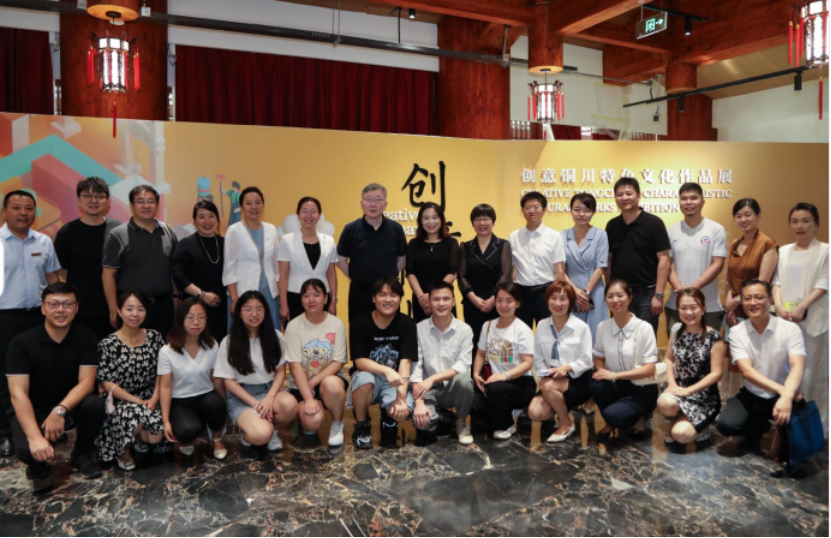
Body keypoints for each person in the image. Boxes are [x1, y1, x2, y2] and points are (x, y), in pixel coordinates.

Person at [6, 283, 104, 482]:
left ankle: (82, 453)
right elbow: (18, 394)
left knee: (95, 404)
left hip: (69, 404)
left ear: (76, 308)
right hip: (34, 407)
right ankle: (38, 462)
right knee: (28, 450)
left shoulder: (86, 337)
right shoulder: (21, 343)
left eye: (68, 304)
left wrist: (59, 411)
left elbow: (87, 383)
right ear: (43, 308)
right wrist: (35, 438)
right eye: (54, 304)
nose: (61, 310)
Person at [0, 191, 61, 459]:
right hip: (5, 318)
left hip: (39, 317)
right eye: (16, 207)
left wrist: (58, 309)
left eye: (28, 208)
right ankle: (4, 433)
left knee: (39, 373)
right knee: (5, 377)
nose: (23, 213)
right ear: (5, 211)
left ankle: (42, 427)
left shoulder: (44, 241)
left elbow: (52, 279)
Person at [717, 279, 806, 449]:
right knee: (726, 425)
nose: (753, 303)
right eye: (747, 298)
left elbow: (797, 366)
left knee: (797, 440)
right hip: (754, 393)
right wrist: (783, 390)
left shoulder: (790, 329)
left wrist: (786, 395)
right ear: (742, 303)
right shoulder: (737, 332)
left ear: (770, 301)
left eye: (759, 297)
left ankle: (782, 430)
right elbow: (746, 371)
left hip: (785, 393)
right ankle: (759, 426)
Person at [214, 291, 297, 451]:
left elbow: (281, 371)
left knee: (290, 405)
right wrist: (256, 404)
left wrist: (269, 398)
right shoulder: (229, 342)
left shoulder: (276, 336)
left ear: (265, 311)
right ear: (239, 313)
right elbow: (229, 382)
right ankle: (249, 432)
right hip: (241, 397)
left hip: (268, 391)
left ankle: (273, 432)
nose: (254, 314)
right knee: (261, 435)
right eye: (248, 309)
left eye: (259, 309)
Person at [772, 203, 829, 434]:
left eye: (806, 221)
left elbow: (824, 283)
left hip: (813, 319)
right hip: (786, 320)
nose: (800, 226)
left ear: (815, 224)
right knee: (786, 370)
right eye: (795, 221)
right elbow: (776, 282)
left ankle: (818, 426)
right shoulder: (784, 251)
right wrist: (777, 305)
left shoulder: (825, 250)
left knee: (813, 374)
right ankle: (788, 425)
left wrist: (803, 306)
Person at [97, 291, 165, 470]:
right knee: (134, 414)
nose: (135, 314)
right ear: (119, 311)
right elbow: (105, 382)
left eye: (140, 309)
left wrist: (154, 398)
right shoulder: (108, 343)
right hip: (120, 399)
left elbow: (163, 372)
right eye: (129, 309)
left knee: (155, 437)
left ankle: (137, 438)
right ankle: (123, 451)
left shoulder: (155, 337)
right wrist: (137, 401)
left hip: (149, 396)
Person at [349, 277, 417, 449]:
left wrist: (401, 397)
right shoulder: (359, 323)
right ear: (373, 298)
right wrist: (386, 370)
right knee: (363, 379)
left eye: (393, 295)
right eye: (382, 295)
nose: (388, 299)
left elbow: (405, 363)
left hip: (394, 381)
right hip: (370, 378)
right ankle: (362, 424)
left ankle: (389, 417)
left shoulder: (407, 324)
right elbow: (359, 361)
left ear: (400, 299)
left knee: (402, 412)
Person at [102, 185, 180, 336]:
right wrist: (113, 308)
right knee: (133, 349)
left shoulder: (168, 231)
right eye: (140, 201)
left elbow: (174, 269)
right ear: (132, 206)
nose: (146, 205)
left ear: (157, 205)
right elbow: (108, 274)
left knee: (163, 348)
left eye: (150, 201)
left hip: (163, 306)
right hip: (132, 309)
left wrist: (176, 297)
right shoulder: (117, 234)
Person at [590, 280, 660, 443]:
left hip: (641, 387)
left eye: (620, 295)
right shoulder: (603, 327)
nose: (615, 300)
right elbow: (598, 358)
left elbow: (650, 369)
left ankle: (639, 416)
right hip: (616, 385)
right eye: (610, 296)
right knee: (595, 383)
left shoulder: (644, 328)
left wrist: (615, 375)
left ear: (629, 297)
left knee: (615, 415)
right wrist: (601, 371)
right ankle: (615, 419)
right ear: (605, 300)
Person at [158, 298, 228, 460]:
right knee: (187, 431)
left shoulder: (211, 344)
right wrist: (166, 421)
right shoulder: (167, 351)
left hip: (206, 396)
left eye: (201, 317)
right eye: (190, 317)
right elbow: (165, 387)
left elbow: (216, 377)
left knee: (217, 404)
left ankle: (216, 439)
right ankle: (186, 440)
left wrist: (224, 404)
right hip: (180, 401)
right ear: (180, 319)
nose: (196, 322)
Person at [54, 177, 122, 340]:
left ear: (107, 201)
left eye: (99, 196)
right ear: (79, 200)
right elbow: (61, 269)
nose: (94, 201)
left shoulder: (119, 230)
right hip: (80, 309)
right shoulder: (67, 231)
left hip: (116, 309)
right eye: (88, 196)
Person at [528, 281, 594, 444]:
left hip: (577, 380)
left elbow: (587, 360)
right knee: (535, 413)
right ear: (547, 300)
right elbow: (538, 357)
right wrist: (545, 373)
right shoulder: (542, 325)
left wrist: (566, 368)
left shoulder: (581, 327)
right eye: (553, 298)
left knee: (548, 386)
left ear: (570, 302)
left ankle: (565, 423)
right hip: (550, 379)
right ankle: (560, 406)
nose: (557, 303)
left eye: (563, 299)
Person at [284, 279, 348, 448]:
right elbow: (295, 366)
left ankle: (337, 423)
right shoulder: (293, 326)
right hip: (301, 384)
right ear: (301, 300)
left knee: (332, 384)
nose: (311, 300)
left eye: (316, 295)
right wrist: (308, 398)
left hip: (327, 380)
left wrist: (312, 383)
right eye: (306, 296)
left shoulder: (336, 324)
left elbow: (339, 361)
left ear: (326, 298)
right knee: (312, 424)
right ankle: (303, 415)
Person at [411, 282, 475, 446]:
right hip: (427, 390)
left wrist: (433, 378)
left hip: (450, 388)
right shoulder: (418, 329)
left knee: (464, 381)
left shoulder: (465, 330)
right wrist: (418, 402)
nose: (441, 303)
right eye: (436, 299)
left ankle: (460, 422)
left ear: (453, 302)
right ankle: (442, 417)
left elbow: (463, 365)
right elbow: (415, 367)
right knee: (423, 423)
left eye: (446, 299)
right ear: (429, 302)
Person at [657, 289, 724, 446]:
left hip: (704, 396)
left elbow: (716, 373)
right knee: (665, 403)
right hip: (680, 388)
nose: (688, 312)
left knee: (681, 435)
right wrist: (672, 384)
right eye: (683, 308)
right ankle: (681, 419)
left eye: (694, 307)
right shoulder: (676, 330)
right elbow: (668, 358)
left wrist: (688, 391)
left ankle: (703, 427)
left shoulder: (713, 336)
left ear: (703, 308)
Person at [606, 178, 671, 335]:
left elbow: (664, 259)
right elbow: (608, 260)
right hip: (619, 293)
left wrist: (658, 295)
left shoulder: (654, 223)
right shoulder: (612, 225)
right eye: (620, 194)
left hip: (647, 294)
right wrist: (609, 289)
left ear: (638, 195)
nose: (624, 197)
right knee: (619, 335)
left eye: (629, 193)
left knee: (645, 337)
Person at [471, 283, 535, 441]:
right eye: (499, 300)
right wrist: (475, 374)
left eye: (509, 301)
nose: (503, 305)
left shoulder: (522, 329)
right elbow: (480, 354)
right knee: (471, 399)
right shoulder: (488, 326)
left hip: (520, 384)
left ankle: (505, 425)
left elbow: (527, 363)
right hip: (494, 382)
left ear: (517, 303)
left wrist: (504, 376)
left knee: (494, 389)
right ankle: (505, 411)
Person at [337, 184, 407, 322]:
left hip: (388, 294)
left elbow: (402, 258)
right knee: (359, 330)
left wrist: (390, 276)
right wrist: (356, 277)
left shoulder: (396, 228)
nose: (373, 204)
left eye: (378, 199)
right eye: (368, 199)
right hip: (360, 293)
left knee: (390, 332)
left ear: (385, 204)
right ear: (361, 204)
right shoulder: (350, 229)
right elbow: (340, 259)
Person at [666, 183, 728, 336]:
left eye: (694, 198)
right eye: (684, 198)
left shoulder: (715, 229)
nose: (689, 202)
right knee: (677, 348)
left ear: (702, 202)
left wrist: (692, 289)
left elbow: (718, 264)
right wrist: (679, 288)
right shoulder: (671, 230)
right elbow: (665, 264)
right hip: (676, 304)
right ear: (679, 202)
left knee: (710, 349)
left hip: (709, 306)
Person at [458, 204, 513, 358]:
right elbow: (461, 276)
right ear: (472, 223)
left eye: (486, 219)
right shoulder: (465, 246)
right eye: (478, 219)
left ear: (493, 222)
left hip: (498, 302)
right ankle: (475, 373)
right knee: (474, 342)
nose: (482, 223)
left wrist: (494, 299)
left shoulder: (503, 245)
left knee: (498, 344)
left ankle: (498, 373)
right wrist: (474, 299)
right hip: (472, 302)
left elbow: (506, 275)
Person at [223, 187, 281, 329]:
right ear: (242, 207)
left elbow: (276, 266)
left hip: (270, 293)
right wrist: (234, 299)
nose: (254, 207)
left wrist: (281, 296)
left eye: (258, 202)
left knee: (270, 334)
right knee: (244, 335)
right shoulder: (234, 230)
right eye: (248, 203)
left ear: (263, 204)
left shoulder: (271, 229)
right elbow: (229, 268)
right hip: (243, 293)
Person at [510, 192, 566, 329]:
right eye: (528, 207)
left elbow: (559, 271)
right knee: (521, 333)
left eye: (536, 207)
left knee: (548, 332)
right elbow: (510, 270)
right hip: (521, 293)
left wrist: (558, 296)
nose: (532, 211)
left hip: (546, 292)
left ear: (544, 209)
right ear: (522, 210)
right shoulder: (514, 236)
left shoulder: (554, 236)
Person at [173, 202, 228, 341]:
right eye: (202, 217)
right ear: (194, 221)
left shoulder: (226, 243)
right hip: (194, 307)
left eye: (211, 216)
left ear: (217, 219)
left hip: (222, 308)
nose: (207, 221)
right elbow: (179, 276)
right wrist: (202, 295)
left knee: (220, 346)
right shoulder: (186, 244)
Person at [278, 197, 339, 322]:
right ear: (298, 215)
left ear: (319, 215)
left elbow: (331, 274)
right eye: (305, 211)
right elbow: (283, 275)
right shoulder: (287, 240)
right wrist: (283, 304)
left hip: (322, 297)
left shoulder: (329, 241)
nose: (309, 215)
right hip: (295, 296)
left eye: (313, 211)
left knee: (322, 332)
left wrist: (333, 301)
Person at [561, 193, 609, 342]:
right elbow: (560, 269)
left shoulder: (600, 234)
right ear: (571, 211)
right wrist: (575, 292)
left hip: (594, 290)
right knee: (572, 335)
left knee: (595, 333)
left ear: (593, 212)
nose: (581, 214)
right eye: (577, 209)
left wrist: (585, 293)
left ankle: (595, 359)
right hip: (570, 290)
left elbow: (601, 266)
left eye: (587, 210)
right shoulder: (562, 235)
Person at [724, 199, 778, 328]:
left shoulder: (767, 244)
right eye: (738, 216)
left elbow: (762, 282)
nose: (743, 219)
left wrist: (737, 301)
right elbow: (730, 279)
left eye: (747, 215)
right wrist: (729, 306)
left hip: (756, 307)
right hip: (735, 309)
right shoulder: (734, 244)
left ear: (758, 216)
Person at [406, 203, 461, 323]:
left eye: (435, 217)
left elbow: (453, 272)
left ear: (441, 219)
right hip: (421, 299)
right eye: (426, 218)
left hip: (443, 298)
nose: (430, 222)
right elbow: (410, 273)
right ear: (420, 221)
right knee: (421, 332)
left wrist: (433, 296)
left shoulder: (451, 243)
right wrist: (422, 298)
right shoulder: (413, 244)